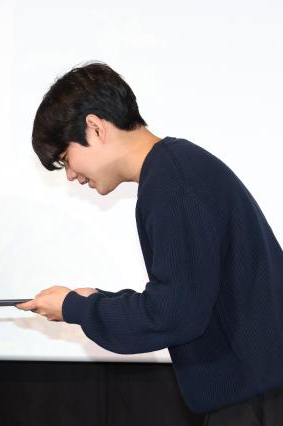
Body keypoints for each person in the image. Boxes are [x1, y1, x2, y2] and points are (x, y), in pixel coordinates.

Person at [17, 62, 283, 424]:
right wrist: (94, 301)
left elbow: (174, 315)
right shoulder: (178, 168)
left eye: (66, 158)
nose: (71, 175)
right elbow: (183, 299)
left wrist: (75, 309)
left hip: (256, 403)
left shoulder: (172, 183)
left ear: (94, 128)